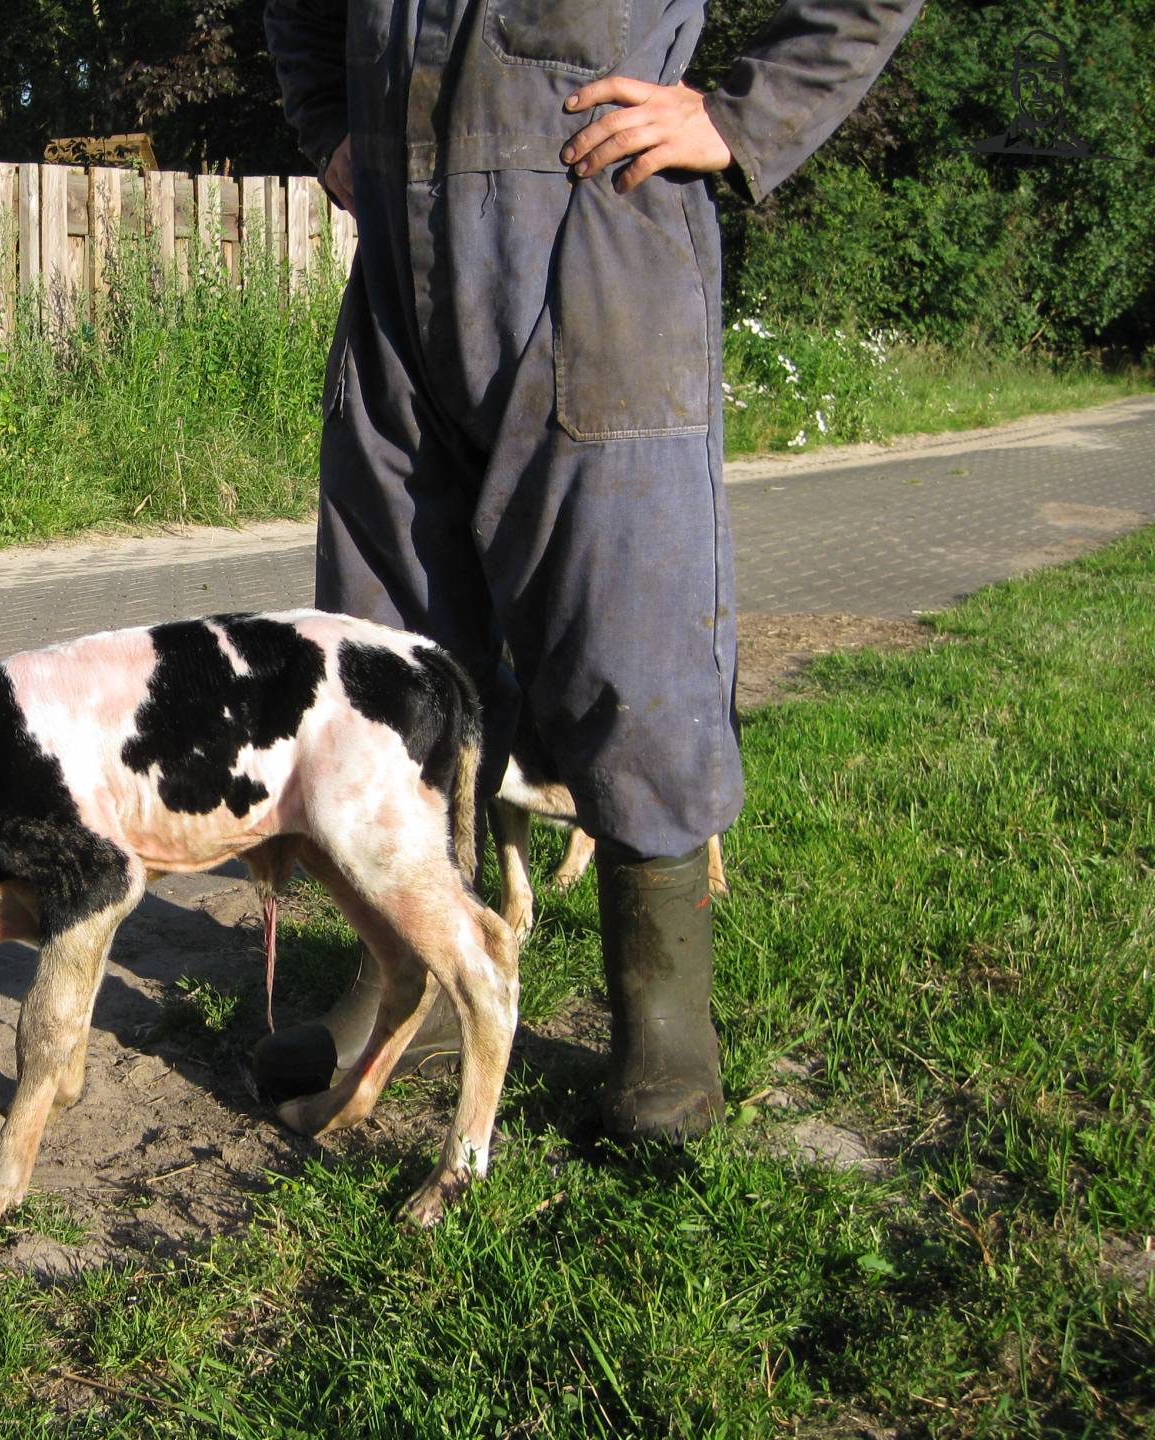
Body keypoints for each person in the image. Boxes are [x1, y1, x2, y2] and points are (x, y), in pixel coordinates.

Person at [254, 0, 924, 1142]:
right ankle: (403, 968)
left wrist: (743, 116)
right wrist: (328, 121)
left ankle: (662, 1016)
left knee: (631, 618)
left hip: (593, 235)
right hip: (399, 277)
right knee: (383, 644)